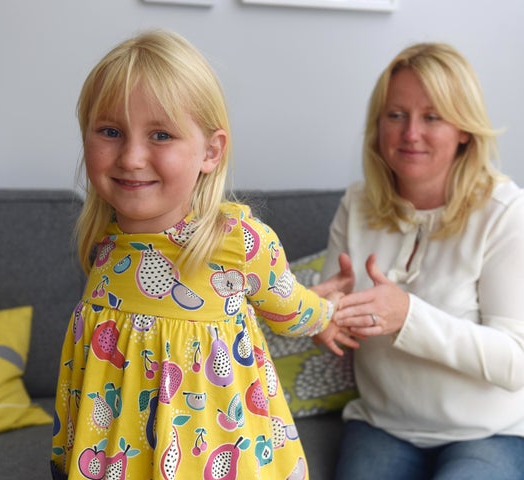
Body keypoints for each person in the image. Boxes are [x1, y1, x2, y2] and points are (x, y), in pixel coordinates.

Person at [50, 30, 355, 480]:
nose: (131, 157)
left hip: (215, 453)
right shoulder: (104, 239)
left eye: (160, 134)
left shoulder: (238, 241)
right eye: (110, 132)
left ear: (210, 152)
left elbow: (287, 305)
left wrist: (325, 314)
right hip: (115, 457)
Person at [320, 42, 524, 479]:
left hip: (496, 432)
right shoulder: (357, 204)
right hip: (383, 424)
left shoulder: (507, 214)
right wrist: (318, 318)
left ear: (464, 130)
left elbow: (514, 362)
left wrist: (408, 315)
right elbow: (331, 315)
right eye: (396, 115)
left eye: (432, 117)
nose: (411, 133)